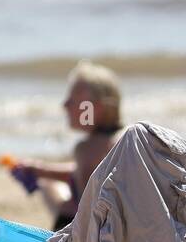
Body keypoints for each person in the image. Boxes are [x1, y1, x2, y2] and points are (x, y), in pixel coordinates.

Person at [10, 61, 124, 230]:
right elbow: (91, 171)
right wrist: (39, 169)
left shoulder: (86, 149)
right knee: (47, 182)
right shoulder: (124, 138)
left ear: (96, 108)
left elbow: (88, 218)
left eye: (73, 99)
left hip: (92, 238)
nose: (65, 105)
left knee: (48, 186)